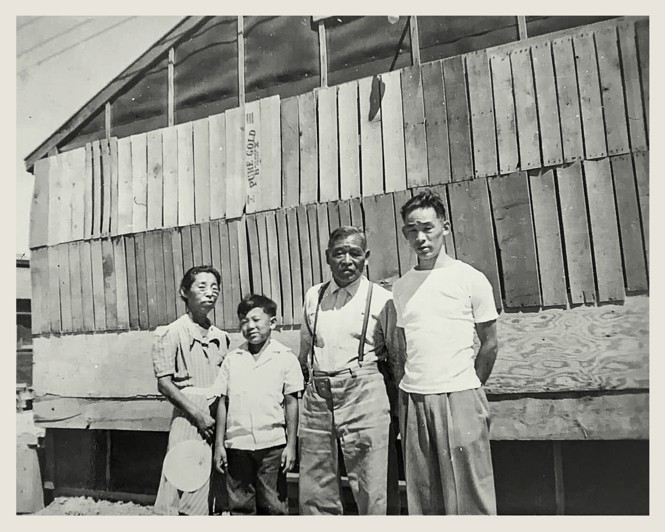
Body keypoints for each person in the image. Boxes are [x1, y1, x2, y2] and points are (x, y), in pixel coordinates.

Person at [392, 191, 499, 515]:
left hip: (460, 398)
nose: (421, 238)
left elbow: (490, 342)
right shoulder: (401, 286)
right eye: (412, 230)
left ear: (446, 227)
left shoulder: (470, 279)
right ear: (405, 234)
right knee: (425, 498)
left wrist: (470, 386)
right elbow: (405, 345)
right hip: (415, 399)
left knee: (471, 494)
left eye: (428, 228)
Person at [298, 225, 404, 515]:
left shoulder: (382, 299)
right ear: (327, 257)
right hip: (319, 394)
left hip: (364, 391)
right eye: (339, 253)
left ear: (366, 257)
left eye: (355, 253)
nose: (347, 260)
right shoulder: (314, 296)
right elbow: (305, 349)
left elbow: (396, 358)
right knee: (315, 482)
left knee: (372, 481)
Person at [213, 294, 303, 515]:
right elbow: (222, 402)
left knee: (273, 504)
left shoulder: (285, 357)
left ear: (272, 322)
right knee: (240, 505)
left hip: (272, 446)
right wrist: (219, 444)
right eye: (244, 321)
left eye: (256, 320)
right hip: (237, 446)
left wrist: (291, 446)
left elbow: (291, 403)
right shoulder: (233, 359)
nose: (250, 326)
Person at [152, 265, 230, 515]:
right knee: (184, 479)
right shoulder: (171, 332)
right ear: (184, 292)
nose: (210, 293)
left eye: (215, 288)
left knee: (213, 484)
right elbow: (164, 383)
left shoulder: (221, 336)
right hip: (188, 419)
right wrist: (198, 416)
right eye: (202, 287)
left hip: (217, 417)